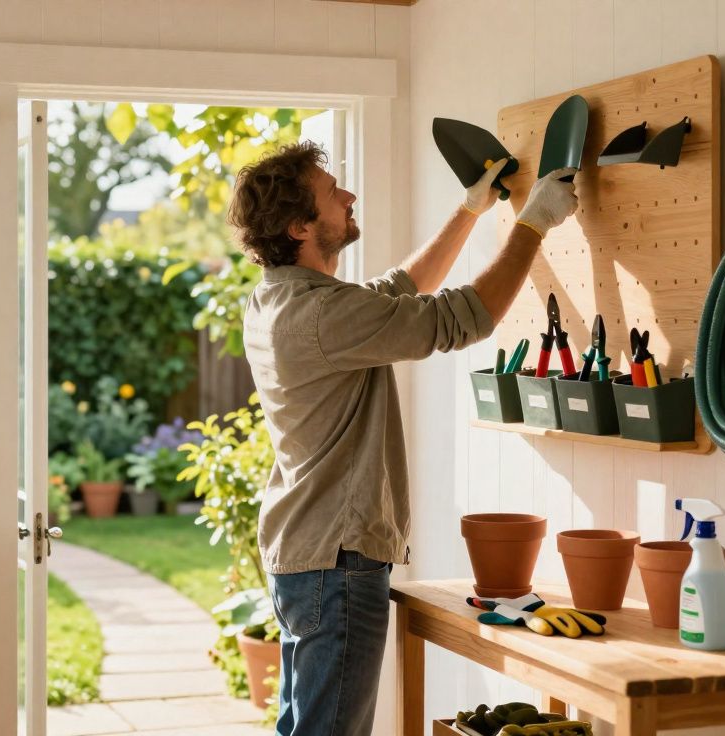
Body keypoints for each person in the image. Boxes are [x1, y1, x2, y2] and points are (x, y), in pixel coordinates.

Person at [227, 141, 578, 735]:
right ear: (298, 225)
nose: (349, 195)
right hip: (336, 560)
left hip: (305, 552)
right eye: (331, 193)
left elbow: (399, 289)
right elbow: (461, 317)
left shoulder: (280, 299)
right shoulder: (321, 316)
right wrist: (532, 224)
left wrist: (469, 212)